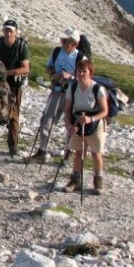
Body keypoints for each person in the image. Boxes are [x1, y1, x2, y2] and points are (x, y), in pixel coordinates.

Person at [32, 27, 87, 163]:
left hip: (72, 94)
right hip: (57, 90)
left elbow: (86, 76)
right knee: (47, 120)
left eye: (65, 41)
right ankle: (42, 150)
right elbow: (48, 67)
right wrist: (53, 74)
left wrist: (71, 76)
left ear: (73, 43)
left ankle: (68, 154)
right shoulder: (57, 52)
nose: (62, 42)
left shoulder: (81, 57)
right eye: (62, 40)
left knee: (71, 124)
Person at [0, 19, 30, 157]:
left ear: (16, 32)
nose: (8, 33)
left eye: (10, 30)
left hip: (15, 85)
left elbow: (25, 68)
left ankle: (13, 146)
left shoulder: (21, 46)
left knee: (13, 115)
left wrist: (7, 72)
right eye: (6, 30)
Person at [62, 59, 109, 194]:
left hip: (96, 124)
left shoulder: (98, 89)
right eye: (79, 71)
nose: (81, 74)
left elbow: (105, 111)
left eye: (84, 71)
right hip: (78, 122)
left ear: (90, 73)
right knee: (78, 152)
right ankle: (76, 180)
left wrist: (91, 119)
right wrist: (69, 125)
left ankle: (98, 181)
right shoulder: (72, 87)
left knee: (96, 153)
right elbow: (67, 109)